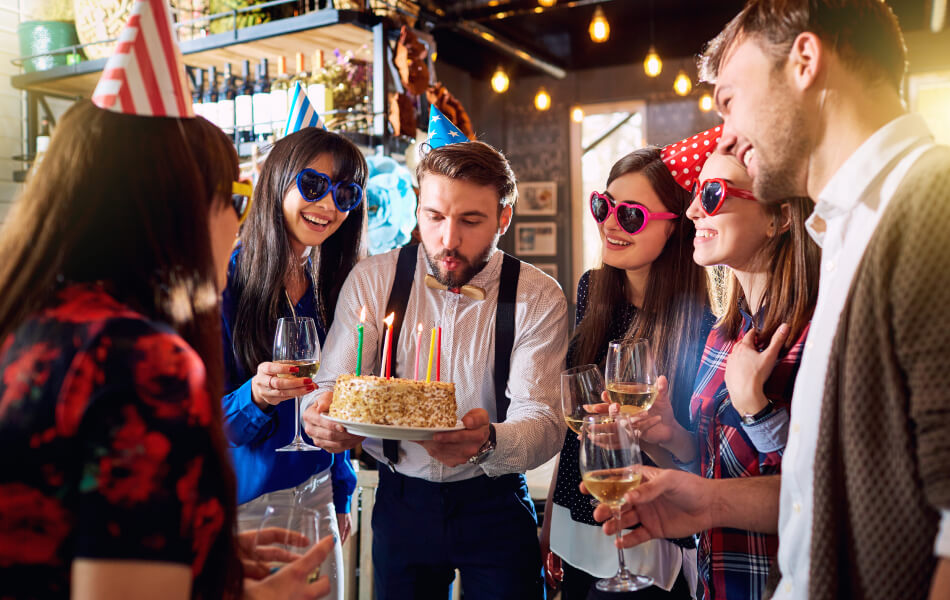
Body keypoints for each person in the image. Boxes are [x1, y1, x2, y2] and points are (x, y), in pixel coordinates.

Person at [597, 2, 950, 599]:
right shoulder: (846, 228)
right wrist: (708, 498)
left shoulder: (925, 205)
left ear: (806, 61)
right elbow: (830, 486)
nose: (729, 133)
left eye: (730, 100)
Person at [0, 98, 333, 600]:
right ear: (176, 208)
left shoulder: (31, 320)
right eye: (237, 199)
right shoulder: (139, 360)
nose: (240, 226)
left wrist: (201, 557)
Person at [302, 138, 569, 600]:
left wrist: (487, 441)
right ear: (417, 208)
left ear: (504, 217)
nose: (448, 239)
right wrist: (320, 416)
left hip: (495, 503)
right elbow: (330, 387)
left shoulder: (538, 296)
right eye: (435, 217)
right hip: (401, 502)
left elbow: (544, 423)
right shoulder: (373, 279)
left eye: (470, 220)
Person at [633, 145, 818, 599]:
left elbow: (821, 495)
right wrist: (672, 436)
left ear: (781, 217)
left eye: (713, 193)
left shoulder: (818, 335)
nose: (694, 210)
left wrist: (756, 409)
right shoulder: (724, 334)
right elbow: (714, 472)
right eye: (697, 194)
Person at [540, 145, 714, 600]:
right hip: (578, 523)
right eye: (604, 206)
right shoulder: (591, 290)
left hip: (648, 534)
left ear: (677, 228)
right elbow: (575, 427)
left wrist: (664, 433)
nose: (610, 223)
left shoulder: (702, 322)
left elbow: (698, 461)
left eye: (631, 215)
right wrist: (549, 526)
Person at [220, 127, 363, 547]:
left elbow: (329, 402)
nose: (327, 205)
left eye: (345, 194)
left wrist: (340, 488)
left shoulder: (330, 287)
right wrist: (257, 395)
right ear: (277, 179)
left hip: (318, 494)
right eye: (314, 184)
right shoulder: (227, 282)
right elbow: (205, 424)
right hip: (249, 506)